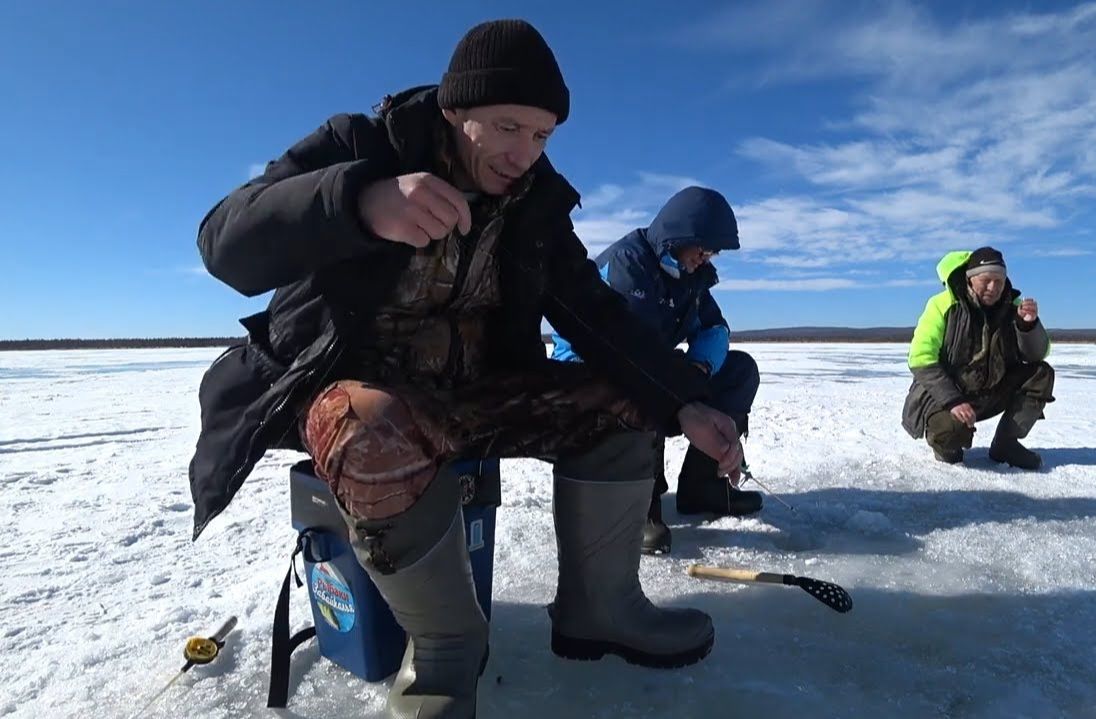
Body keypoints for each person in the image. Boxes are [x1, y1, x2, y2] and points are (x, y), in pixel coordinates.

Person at [186, 20, 743, 718]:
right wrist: (360, 201)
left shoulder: (534, 202)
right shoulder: (365, 146)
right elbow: (223, 240)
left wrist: (683, 400)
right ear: (455, 110)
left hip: (474, 392)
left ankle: (601, 608)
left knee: (625, 398)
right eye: (507, 126)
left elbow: (597, 315)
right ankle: (446, 653)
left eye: (541, 135)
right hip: (355, 396)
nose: (523, 152)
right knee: (372, 424)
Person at [550, 186, 761, 555]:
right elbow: (631, 356)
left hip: (651, 364)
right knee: (640, 389)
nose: (707, 257)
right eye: (704, 247)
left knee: (738, 370)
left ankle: (704, 487)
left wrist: (698, 368)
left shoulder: (692, 276)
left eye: (713, 251)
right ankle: (640, 505)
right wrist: (682, 389)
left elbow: (715, 328)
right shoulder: (630, 264)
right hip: (591, 369)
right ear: (682, 234)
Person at [900, 247, 1055, 469]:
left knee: (1041, 373)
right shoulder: (942, 305)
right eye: (986, 280)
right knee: (950, 433)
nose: (993, 287)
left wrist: (1027, 326)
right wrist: (953, 400)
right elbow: (920, 359)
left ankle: (1006, 444)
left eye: (999, 281)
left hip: (990, 391)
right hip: (945, 398)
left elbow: (1036, 355)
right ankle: (947, 446)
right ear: (970, 279)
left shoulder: (1013, 307)